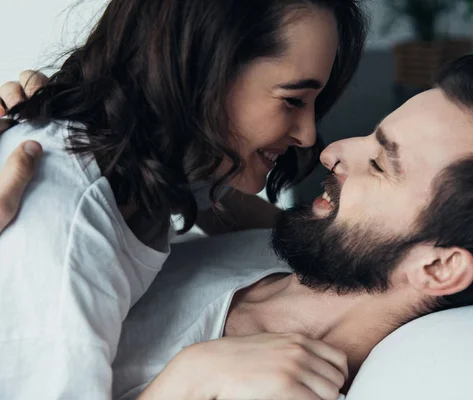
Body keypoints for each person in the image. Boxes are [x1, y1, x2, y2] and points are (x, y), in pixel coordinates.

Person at [109, 54, 473, 399]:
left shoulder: (272, 387)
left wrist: (188, 380)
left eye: (381, 165)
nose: (329, 152)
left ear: (438, 266)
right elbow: (203, 191)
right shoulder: (310, 250)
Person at [0, 0, 367, 398]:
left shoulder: (150, 155)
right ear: (200, 71)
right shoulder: (64, 221)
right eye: (293, 100)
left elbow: (224, 206)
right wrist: (194, 375)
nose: (309, 135)